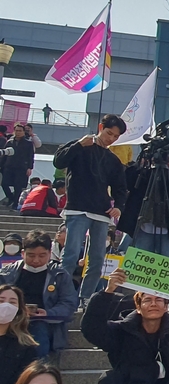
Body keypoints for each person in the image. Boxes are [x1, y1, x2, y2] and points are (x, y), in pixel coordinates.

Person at [53, 114, 128, 301]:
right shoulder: (80, 145)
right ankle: (61, 295)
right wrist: (79, 145)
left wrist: (118, 206)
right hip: (77, 208)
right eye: (109, 133)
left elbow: (120, 187)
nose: (111, 139)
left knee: (97, 259)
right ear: (101, 127)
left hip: (102, 212)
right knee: (70, 255)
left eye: (115, 137)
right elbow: (59, 162)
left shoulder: (113, 159)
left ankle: (85, 297)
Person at [0, 231, 77, 360]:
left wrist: (47, 313)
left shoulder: (60, 276)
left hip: (42, 322)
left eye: (42, 255)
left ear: (49, 253)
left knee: (38, 334)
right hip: (9, 320)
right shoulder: (6, 273)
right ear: (23, 253)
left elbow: (69, 304)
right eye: (31, 255)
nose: (36, 260)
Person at [0, 286, 38, 384]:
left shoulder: (25, 347)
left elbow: (23, 382)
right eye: (1, 301)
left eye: (12, 302)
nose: (6, 305)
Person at [2, 124, 35, 209]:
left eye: (20, 131)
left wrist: (29, 167)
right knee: (4, 184)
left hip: (21, 167)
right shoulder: (10, 142)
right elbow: (4, 155)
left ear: (23, 132)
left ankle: (15, 203)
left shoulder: (28, 143)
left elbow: (30, 156)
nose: (18, 133)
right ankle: (11, 198)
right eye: (16, 131)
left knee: (18, 186)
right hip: (9, 166)